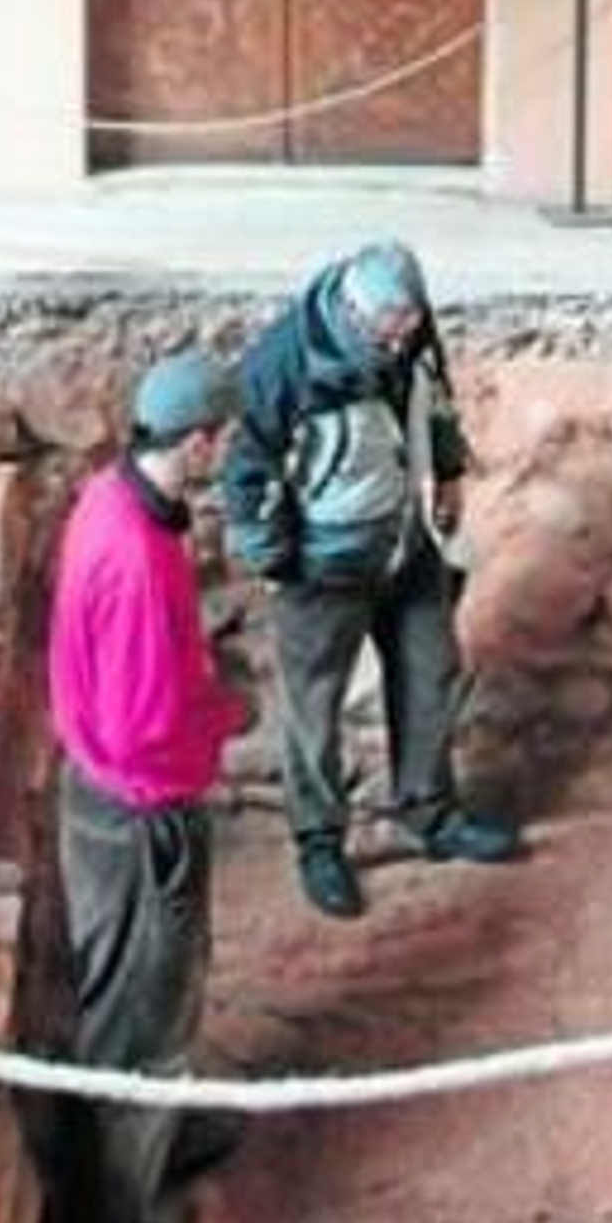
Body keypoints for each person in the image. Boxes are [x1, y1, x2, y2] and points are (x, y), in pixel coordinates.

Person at [222, 239, 524, 921]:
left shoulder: (410, 329)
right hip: (322, 564)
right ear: (356, 315)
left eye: (410, 326)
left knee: (430, 671)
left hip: (402, 538)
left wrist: (446, 471)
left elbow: (435, 393)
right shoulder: (282, 364)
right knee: (314, 709)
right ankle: (319, 838)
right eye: (389, 331)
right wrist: (276, 559)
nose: (402, 342)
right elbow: (245, 472)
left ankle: (430, 810)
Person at [48, 348, 247, 1223]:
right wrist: (223, 714)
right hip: (136, 811)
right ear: (199, 440)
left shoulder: (118, 499)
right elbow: (138, 723)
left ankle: (159, 1140)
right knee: (139, 1026)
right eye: (224, 438)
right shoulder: (132, 552)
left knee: (165, 991)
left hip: (126, 795)